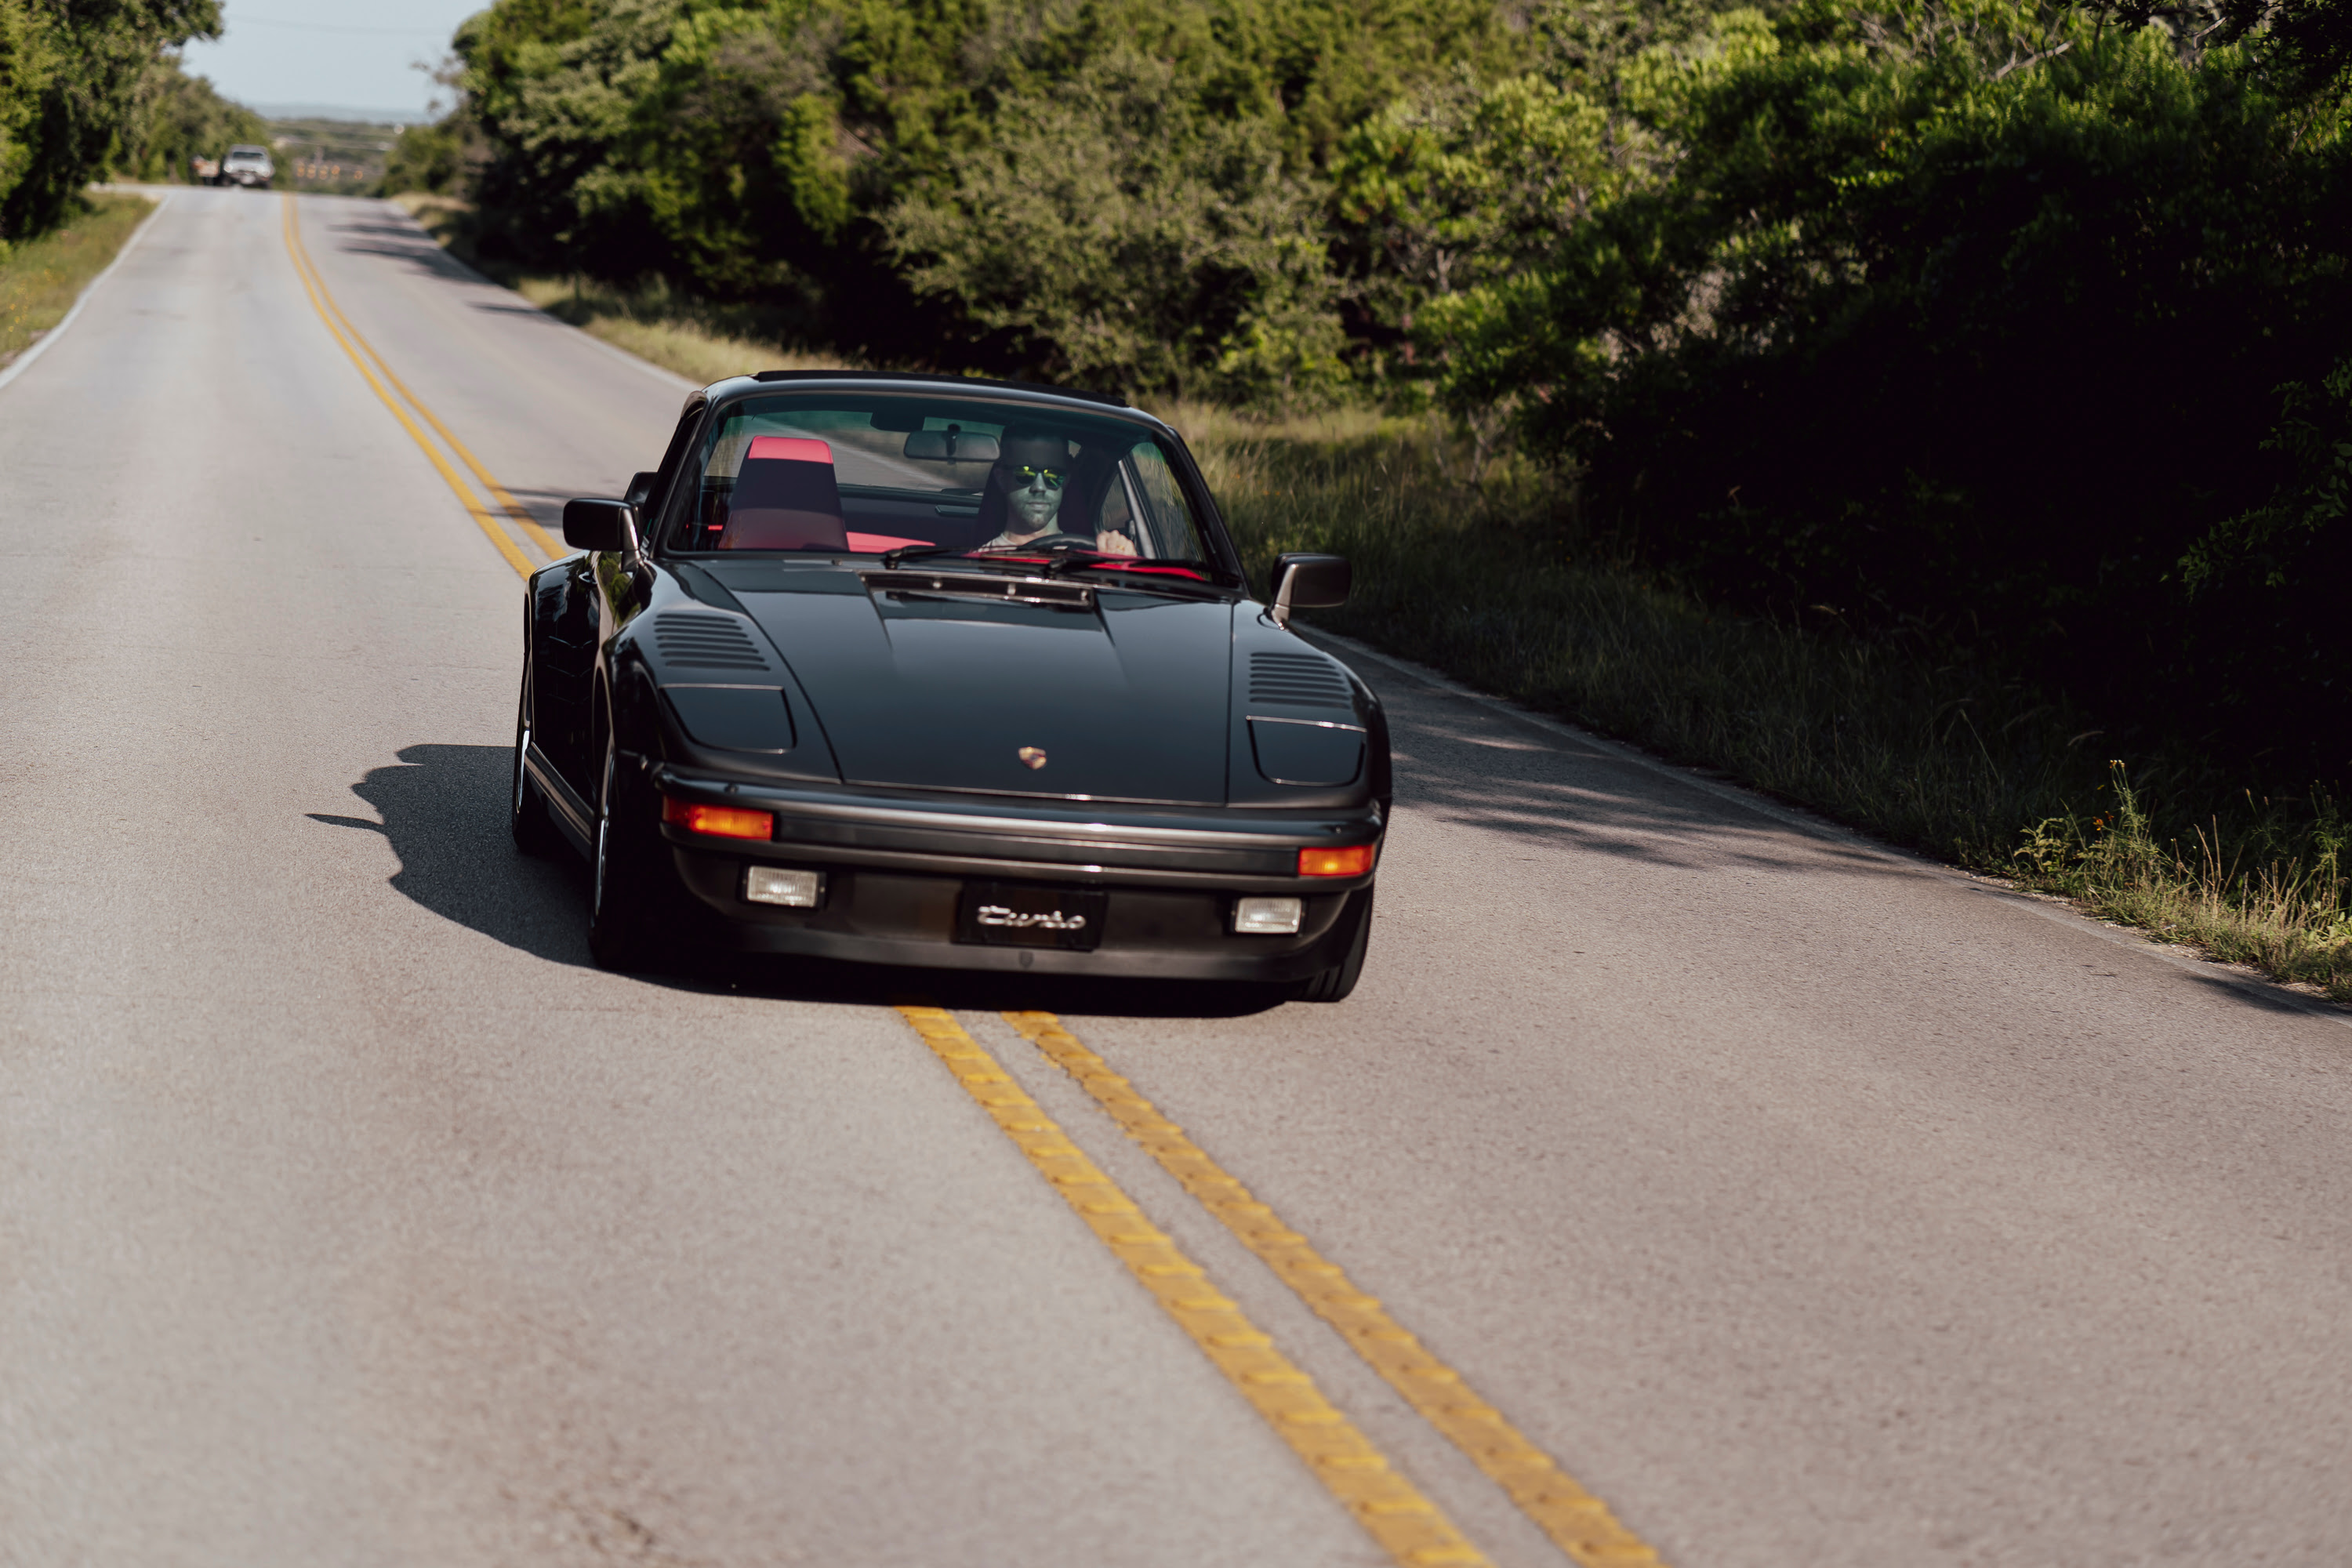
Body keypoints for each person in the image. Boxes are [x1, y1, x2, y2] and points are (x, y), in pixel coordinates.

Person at [977, 429, 1138, 554]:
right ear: (1001, 479)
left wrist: (1121, 555)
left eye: (1053, 475)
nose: (1039, 488)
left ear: (1066, 480)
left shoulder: (1093, 560)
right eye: (1025, 473)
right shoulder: (976, 566)